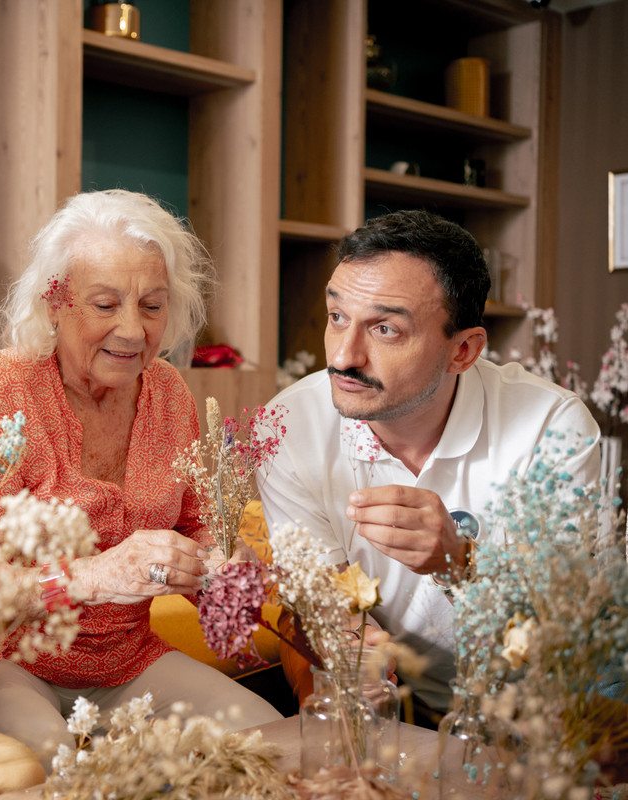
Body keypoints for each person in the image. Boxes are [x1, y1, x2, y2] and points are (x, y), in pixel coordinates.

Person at [0, 189, 283, 767]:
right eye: (105, 305)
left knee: (268, 742)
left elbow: (202, 524)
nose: (132, 330)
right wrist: (95, 576)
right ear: (54, 302)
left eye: (151, 306)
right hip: (4, 663)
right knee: (52, 762)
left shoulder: (170, 394)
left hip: (127, 661)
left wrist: (223, 569)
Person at [258, 209, 602, 720]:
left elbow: (570, 627)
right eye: (337, 317)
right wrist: (351, 663)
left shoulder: (550, 427)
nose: (345, 356)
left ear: (463, 350)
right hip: (403, 713)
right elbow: (322, 606)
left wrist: (462, 563)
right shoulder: (288, 424)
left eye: (386, 329)